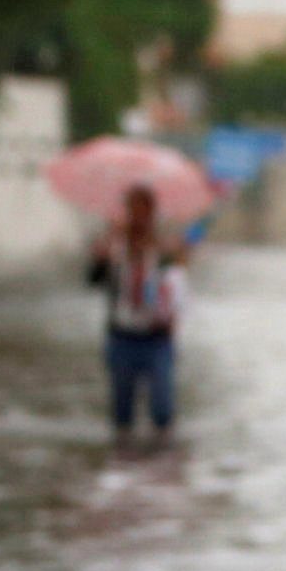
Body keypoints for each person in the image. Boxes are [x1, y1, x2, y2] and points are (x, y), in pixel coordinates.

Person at [86, 183, 186, 446]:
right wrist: (100, 256)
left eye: (145, 210)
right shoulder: (114, 247)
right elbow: (92, 281)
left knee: (162, 408)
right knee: (122, 411)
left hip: (157, 337)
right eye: (134, 209)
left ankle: (160, 459)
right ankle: (124, 461)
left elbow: (178, 287)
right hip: (122, 335)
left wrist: (176, 255)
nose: (139, 216)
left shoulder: (163, 248)